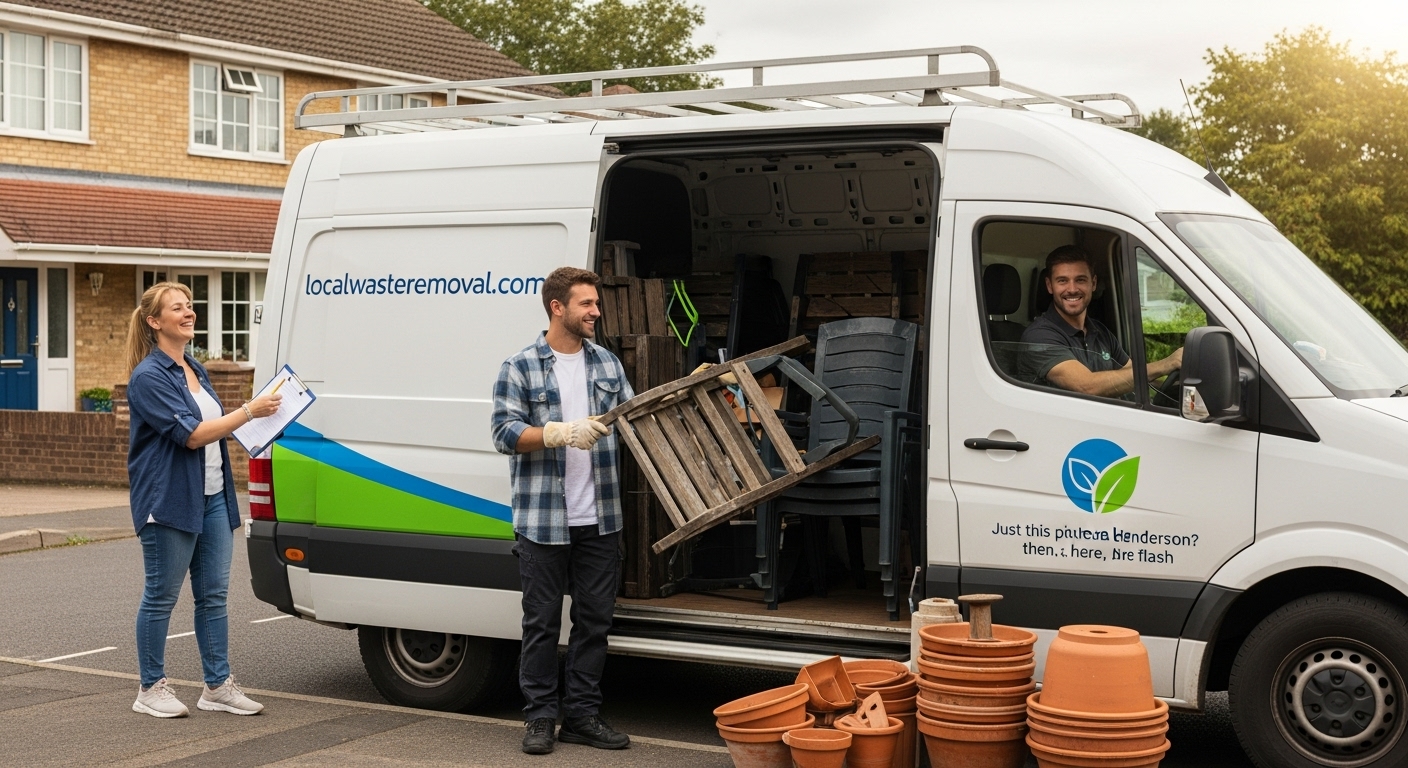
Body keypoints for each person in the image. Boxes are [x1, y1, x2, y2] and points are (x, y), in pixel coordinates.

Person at [491, 267, 635, 756]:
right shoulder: (520, 366)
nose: (596, 311)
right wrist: (556, 432)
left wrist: (682, 394)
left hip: (600, 517)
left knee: (595, 623)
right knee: (542, 624)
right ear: (558, 308)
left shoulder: (608, 365)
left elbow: (633, 420)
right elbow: (503, 434)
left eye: (596, 303)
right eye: (587, 304)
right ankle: (539, 718)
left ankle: (581, 716)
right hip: (543, 520)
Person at [124, 281, 282, 718]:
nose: (189, 312)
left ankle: (216, 686)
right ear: (155, 321)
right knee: (161, 595)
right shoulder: (149, 377)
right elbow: (192, 436)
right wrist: (249, 411)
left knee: (213, 596)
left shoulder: (194, 367)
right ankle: (150, 688)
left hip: (213, 496)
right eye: (178, 308)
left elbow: (218, 428)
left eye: (190, 306)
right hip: (169, 500)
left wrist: (262, 421)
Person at [1018, 245, 1182, 396]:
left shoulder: (1100, 331)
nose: (1072, 289)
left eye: (1080, 280)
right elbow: (1086, 386)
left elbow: (1135, 375)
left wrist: (1177, 387)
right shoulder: (1039, 337)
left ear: (1093, 283)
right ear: (1049, 286)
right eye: (1062, 281)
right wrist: (1166, 364)